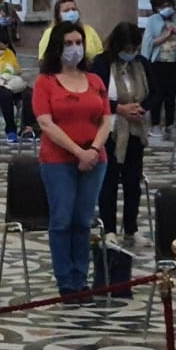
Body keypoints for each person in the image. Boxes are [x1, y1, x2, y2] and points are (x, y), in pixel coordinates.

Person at [32, 19, 113, 301]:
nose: (74, 49)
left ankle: (82, 278)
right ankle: (66, 281)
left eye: (78, 43)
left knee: (83, 219)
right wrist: (78, 152)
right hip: (58, 160)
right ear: (58, 47)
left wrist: (93, 149)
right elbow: (46, 123)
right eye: (68, 44)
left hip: (95, 158)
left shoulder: (95, 81)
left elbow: (106, 119)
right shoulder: (45, 82)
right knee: (63, 219)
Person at [93, 22, 148, 249]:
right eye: (128, 47)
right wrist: (119, 108)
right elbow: (96, 96)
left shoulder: (141, 64)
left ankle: (131, 228)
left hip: (135, 129)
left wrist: (140, 108)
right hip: (111, 129)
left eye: (135, 47)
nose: (131, 52)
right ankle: (109, 229)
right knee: (109, 182)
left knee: (132, 182)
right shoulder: (102, 63)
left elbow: (155, 90)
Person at [143, 0, 176, 137]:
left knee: (171, 93)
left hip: (175, 61)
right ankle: (155, 124)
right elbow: (150, 43)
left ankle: (170, 124)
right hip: (158, 62)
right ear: (156, 8)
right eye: (164, 6)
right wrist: (165, 36)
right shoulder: (152, 21)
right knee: (158, 93)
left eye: (169, 5)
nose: (168, 8)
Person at [36, 0, 105, 61]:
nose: (71, 12)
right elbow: (43, 58)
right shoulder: (50, 32)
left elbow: (100, 53)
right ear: (58, 15)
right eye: (66, 11)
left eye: (74, 9)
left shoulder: (89, 30)